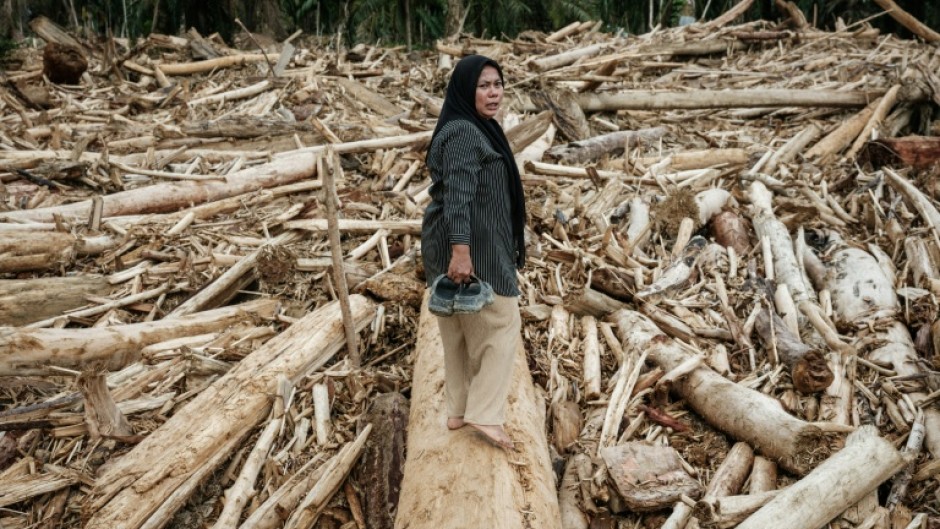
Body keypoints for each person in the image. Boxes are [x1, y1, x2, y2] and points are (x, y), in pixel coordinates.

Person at [421, 55, 527, 451]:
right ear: (467, 90)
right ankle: (484, 414)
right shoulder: (466, 133)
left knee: (458, 328)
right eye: (484, 85)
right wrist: (461, 251)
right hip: (472, 244)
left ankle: (458, 410)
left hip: (455, 239)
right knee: (501, 322)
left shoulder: (468, 126)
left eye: (498, 84)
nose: (493, 92)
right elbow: (459, 196)